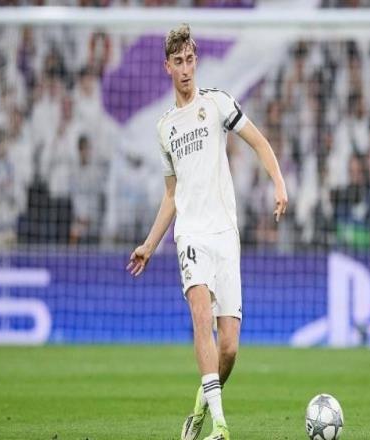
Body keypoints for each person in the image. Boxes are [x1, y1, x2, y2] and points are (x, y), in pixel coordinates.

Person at [126, 24, 287, 440]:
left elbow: (259, 142)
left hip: (225, 235)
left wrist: (278, 182)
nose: (185, 69)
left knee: (228, 347)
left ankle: (200, 407)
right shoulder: (165, 127)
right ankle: (220, 426)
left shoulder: (217, 104)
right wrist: (149, 243)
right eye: (177, 62)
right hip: (191, 235)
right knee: (201, 317)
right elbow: (171, 194)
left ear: (196, 60)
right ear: (167, 66)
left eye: (190, 60)